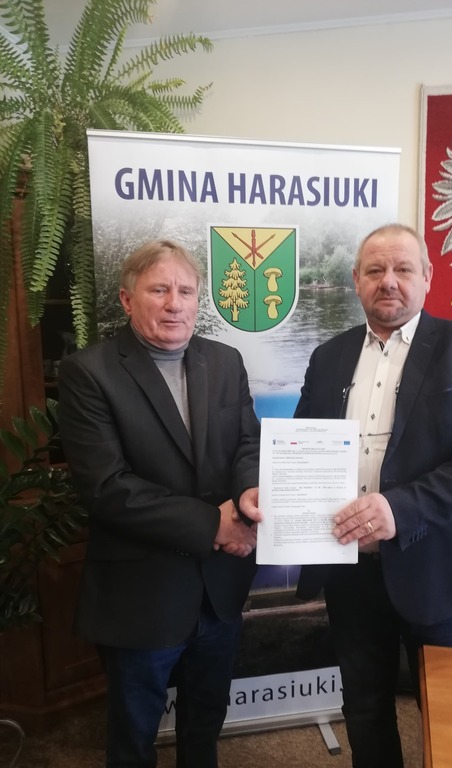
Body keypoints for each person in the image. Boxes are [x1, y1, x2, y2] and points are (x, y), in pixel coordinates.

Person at [294, 223, 452, 768]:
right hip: (350, 569)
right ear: (356, 280)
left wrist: (401, 508)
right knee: (364, 708)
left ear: (427, 277)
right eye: (375, 270)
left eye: (402, 269)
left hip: (436, 567)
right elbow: (300, 446)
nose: (388, 281)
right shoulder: (328, 356)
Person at [57, 239, 262, 768]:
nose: (175, 303)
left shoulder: (225, 361)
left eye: (186, 291)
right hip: (141, 594)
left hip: (219, 588)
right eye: (159, 290)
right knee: (134, 736)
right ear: (127, 300)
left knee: (205, 723)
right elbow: (108, 487)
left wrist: (248, 493)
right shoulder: (88, 372)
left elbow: (247, 444)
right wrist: (214, 525)